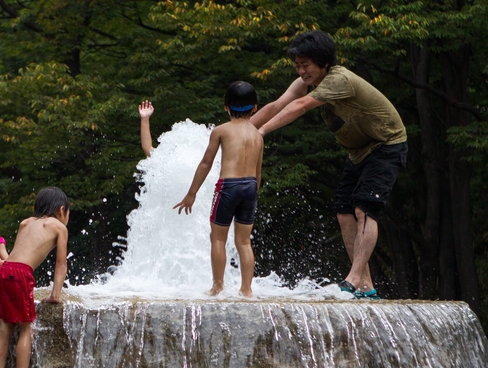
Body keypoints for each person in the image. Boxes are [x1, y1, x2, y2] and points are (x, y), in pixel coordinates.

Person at [250, 30, 407, 299]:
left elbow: (300, 107)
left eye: (306, 65)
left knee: (364, 208)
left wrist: (261, 132)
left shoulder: (339, 79)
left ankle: (353, 278)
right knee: (344, 213)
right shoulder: (305, 82)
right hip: (357, 152)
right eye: (298, 65)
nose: (301, 71)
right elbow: (277, 105)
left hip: (386, 144)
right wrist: (241, 130)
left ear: (324, 62)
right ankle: (366, 288)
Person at [174, 81, 263, 297]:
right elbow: (258, 171)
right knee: (244, 241)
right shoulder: (258, 135)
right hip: (250, 186)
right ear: (255, 107)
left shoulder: (221, 131)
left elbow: (206, 163)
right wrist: (253, 193)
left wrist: (191, 193)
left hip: (228, 186)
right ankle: (247, 289)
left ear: (226, 107)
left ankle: (217, 286)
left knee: (218, 238)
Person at [0, 186, 70, 368]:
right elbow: (60, 263)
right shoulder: (58, 227)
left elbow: (17, 254)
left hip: (3, 272)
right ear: (62, 210)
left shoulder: (25, 222)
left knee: (5, 326)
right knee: (26, 328)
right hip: (20, 275)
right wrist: (55, 294)